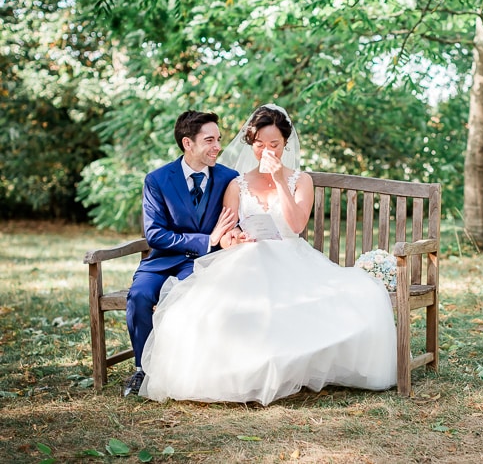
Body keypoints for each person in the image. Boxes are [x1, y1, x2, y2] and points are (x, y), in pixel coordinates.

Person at [137, 104, 397, 405]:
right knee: (215, 307)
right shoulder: (237, 183)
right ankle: (232, 370)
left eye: (274, 144)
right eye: (260, 144)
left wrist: (279, 182)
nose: (266, 151)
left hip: (290, 256)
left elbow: (297, 224)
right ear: (252, 144)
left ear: (285, 144)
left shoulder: (301, 180)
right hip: (247, 256)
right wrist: (234, 237)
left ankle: (284, 368)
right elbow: (229, 230)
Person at [123, 111, 239, 397]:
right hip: (161, 260)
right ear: (188, 143)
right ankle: (142, 369)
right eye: (209, 140)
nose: (217, 146)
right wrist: (206, 239)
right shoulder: (158, 180)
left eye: (219, 139)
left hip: (204, 262)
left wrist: (228, 238)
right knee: (139, 297)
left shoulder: (229, 178)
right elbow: (155, 234)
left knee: (187, 297)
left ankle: (182, 371)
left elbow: (237, 221)